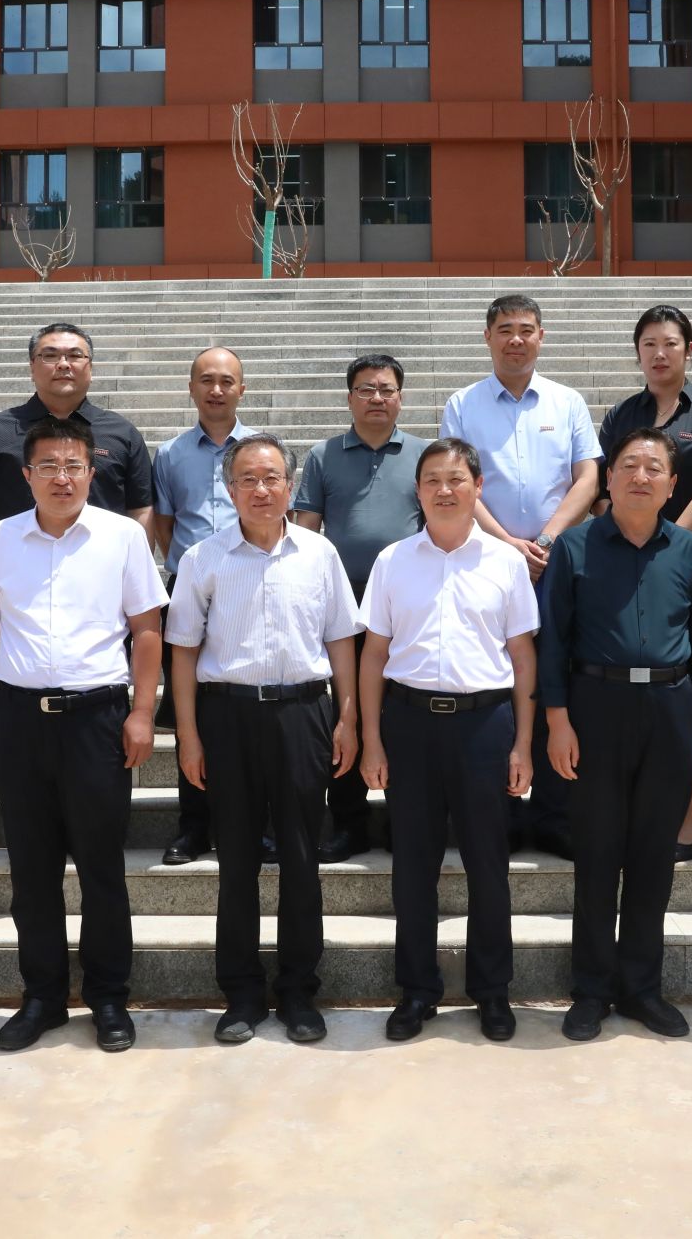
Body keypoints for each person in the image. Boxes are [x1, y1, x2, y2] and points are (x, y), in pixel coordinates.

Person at [0, 413, 166, 1054]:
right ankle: (43, 997)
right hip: (20, 720)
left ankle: (109, 998)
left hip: (98, 720)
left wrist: (141, 713)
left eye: (74, 465)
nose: (62, 477)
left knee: (102, 867)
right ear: (26, 475)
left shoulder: (122, 537)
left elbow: (147, 629)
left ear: (91, 471)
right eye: (47, 466)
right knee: (32, 870)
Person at [167, 435, 360, 1045]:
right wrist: (189, 735)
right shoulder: (203, 558)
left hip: (304, 714)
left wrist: (348, 718)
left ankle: (299, 991)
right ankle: (242, 994)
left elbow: (341, 641)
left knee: (302, 856)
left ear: (290, 486)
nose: (260, 489)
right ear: (230, 489)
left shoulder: (320, 554)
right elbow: (182, 651)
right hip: (227, 718)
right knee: (236, 861)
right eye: (247, 478)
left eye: (272, 477)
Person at [539, 427, 692, 1043]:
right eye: (628, 466)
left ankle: (642, 988)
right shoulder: (576, 546)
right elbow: (553, 640)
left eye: (654, 468)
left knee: (652, 858)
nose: (641, 476)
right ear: (609, 479)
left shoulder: (688, 550)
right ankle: (591, 990)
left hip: (670, 708)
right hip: (595, 707)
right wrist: (557, 720)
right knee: (596, 855)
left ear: (672, 485)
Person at [359, 439, 538, 1044]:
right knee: (413, 865)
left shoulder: (505, 563)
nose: (444, 489)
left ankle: (492, 991)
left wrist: (523, 744)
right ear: (418, 490)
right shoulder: (393, 561)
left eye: (456, 479)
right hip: (409, 724)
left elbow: (523, 657)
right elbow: (374, 654)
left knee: (489, 863)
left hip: (484, 726)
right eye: (432, 479)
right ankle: (416, 990)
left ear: (478, 488)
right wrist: (372, 739)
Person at [439, 294, 600, 858]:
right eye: (504, 329)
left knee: (558, 675)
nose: (515, 339)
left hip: (558, 562)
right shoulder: (463, 404)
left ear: (541, 336)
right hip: (487, 560)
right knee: (494, 679)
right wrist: (508, 544)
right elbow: (455, 478)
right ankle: (499, 812)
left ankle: (555, 812)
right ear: (487, 337)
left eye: (526, 329)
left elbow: (588, 476)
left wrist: (548, 539)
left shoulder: (567, 401)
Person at [594, 306, 692, 865]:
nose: (659, 353)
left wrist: (667, 540)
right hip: (626, 566)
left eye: (670, 343)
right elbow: (605, 488)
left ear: (689, 350)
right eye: (649, 343)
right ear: (637, 353)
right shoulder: (622, 414)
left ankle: (691, 814)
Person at [292, 353, 429, 862]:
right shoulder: (324, 455)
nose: (377, 398)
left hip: (407, 600)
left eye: (386, 389)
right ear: (349, 398)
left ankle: (402, 818)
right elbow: (306, 528)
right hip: (343, 601)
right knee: (344, 710)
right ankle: (349, 821)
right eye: (366, 389)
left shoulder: (424, 454)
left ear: (401, 398)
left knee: (403, 707)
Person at [153, 348, 256, 860]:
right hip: (189, 587)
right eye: (207, 381)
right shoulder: (170, 453)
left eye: (227, 381)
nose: (217, 390)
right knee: (189, 706)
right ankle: (194, 825)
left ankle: (254, 823)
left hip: (251, 584)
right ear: (191, 387)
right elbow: (165, 524)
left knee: (249, 705)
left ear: (242, 389)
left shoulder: (261, 450)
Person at [0, 323, 154, 569]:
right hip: (17, 572)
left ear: (90, 367)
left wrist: (135, 574)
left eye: (75, 355)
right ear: (32, 367)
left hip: (102, 573)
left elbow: (141, 509)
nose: (64, 364)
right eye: (50, 355)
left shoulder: (122, 433)